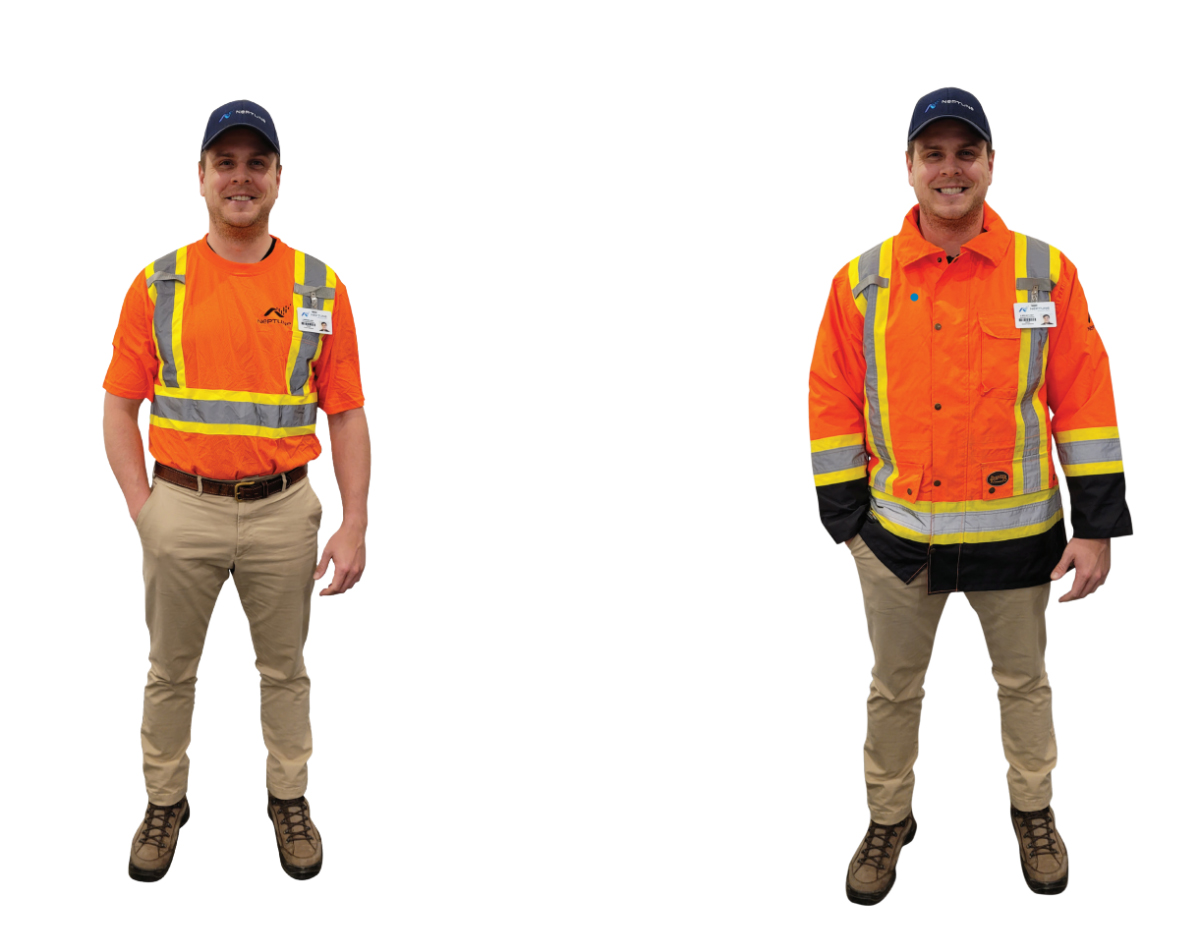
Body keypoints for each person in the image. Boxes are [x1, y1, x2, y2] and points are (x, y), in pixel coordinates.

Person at [807, 87, 1131, 904]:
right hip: (895, 542)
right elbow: (831, 399)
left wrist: (1095, 527)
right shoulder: (862, 282)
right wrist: (849, 521)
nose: (951, 170)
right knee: (893, 690)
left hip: (1018, 540)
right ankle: (889, 819)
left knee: (1025, 687)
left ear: (991, 163)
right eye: (935, 153)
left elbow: (1084, 398)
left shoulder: (1045, 272)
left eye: (966, 152)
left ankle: (1034, 810)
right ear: (910, 167)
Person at [103, 100, 370, 882]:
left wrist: (354, 523)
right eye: (227, 162)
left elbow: (347, 415)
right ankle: (165, 803)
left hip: (285, 510)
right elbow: (119, 406)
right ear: (201, 177)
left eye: (258, 163)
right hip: (179, 509)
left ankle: (288, 798)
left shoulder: (319, 287)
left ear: (280, 179)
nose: (241, 178)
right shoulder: (160, 284)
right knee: (169, 672)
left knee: (284, 671)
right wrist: (142, 510)